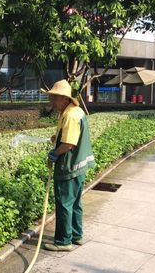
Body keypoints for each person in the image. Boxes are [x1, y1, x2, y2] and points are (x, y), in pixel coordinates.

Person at [42, 79, 95, 251]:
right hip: (79, 167)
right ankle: (76, 235)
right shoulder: (75, 111)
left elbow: (69, 144)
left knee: (64, 203)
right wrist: (57, 139)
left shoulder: (70, 116)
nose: (51, 101)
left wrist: (55, 153)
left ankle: (64, 241)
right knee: (75, 202)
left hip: (69, 167)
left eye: (54, 98)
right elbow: (69, 137)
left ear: (64, 99)